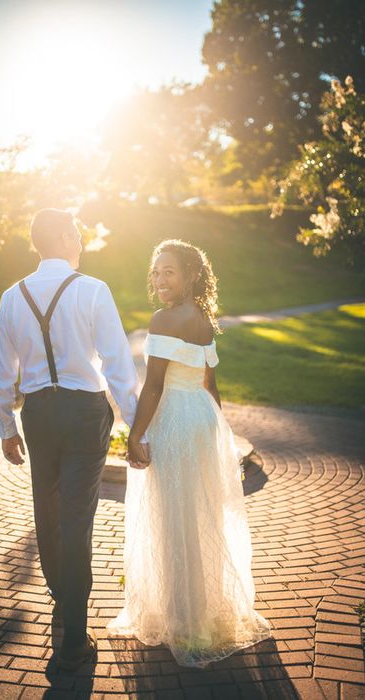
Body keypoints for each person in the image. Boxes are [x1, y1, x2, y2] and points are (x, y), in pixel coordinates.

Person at [0, 208, 149, 671]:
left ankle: (63, 598)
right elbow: (119, 364)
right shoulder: (92, 290)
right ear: (61, 238)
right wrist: (135, 427)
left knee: (48, 507)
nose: (80, 242)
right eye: (76, 234)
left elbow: (4, 371)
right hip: (84, 413)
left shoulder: (11, 296)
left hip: (38, 413)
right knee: (78, 517)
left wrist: (6, 427)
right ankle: (74, 641)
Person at [107, 239, 272, 667]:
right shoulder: (203, 318)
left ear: (191, 275)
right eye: (156, 271)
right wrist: (221, 436)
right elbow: (211, 386)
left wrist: (134, 434)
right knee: (198, 515)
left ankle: (186, 623)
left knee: (175, 518)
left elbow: (156, 386)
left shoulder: (164, 319)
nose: (160, 279)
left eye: (169, 271)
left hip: (176, 422)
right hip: (202, 420)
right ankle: (199, 614)